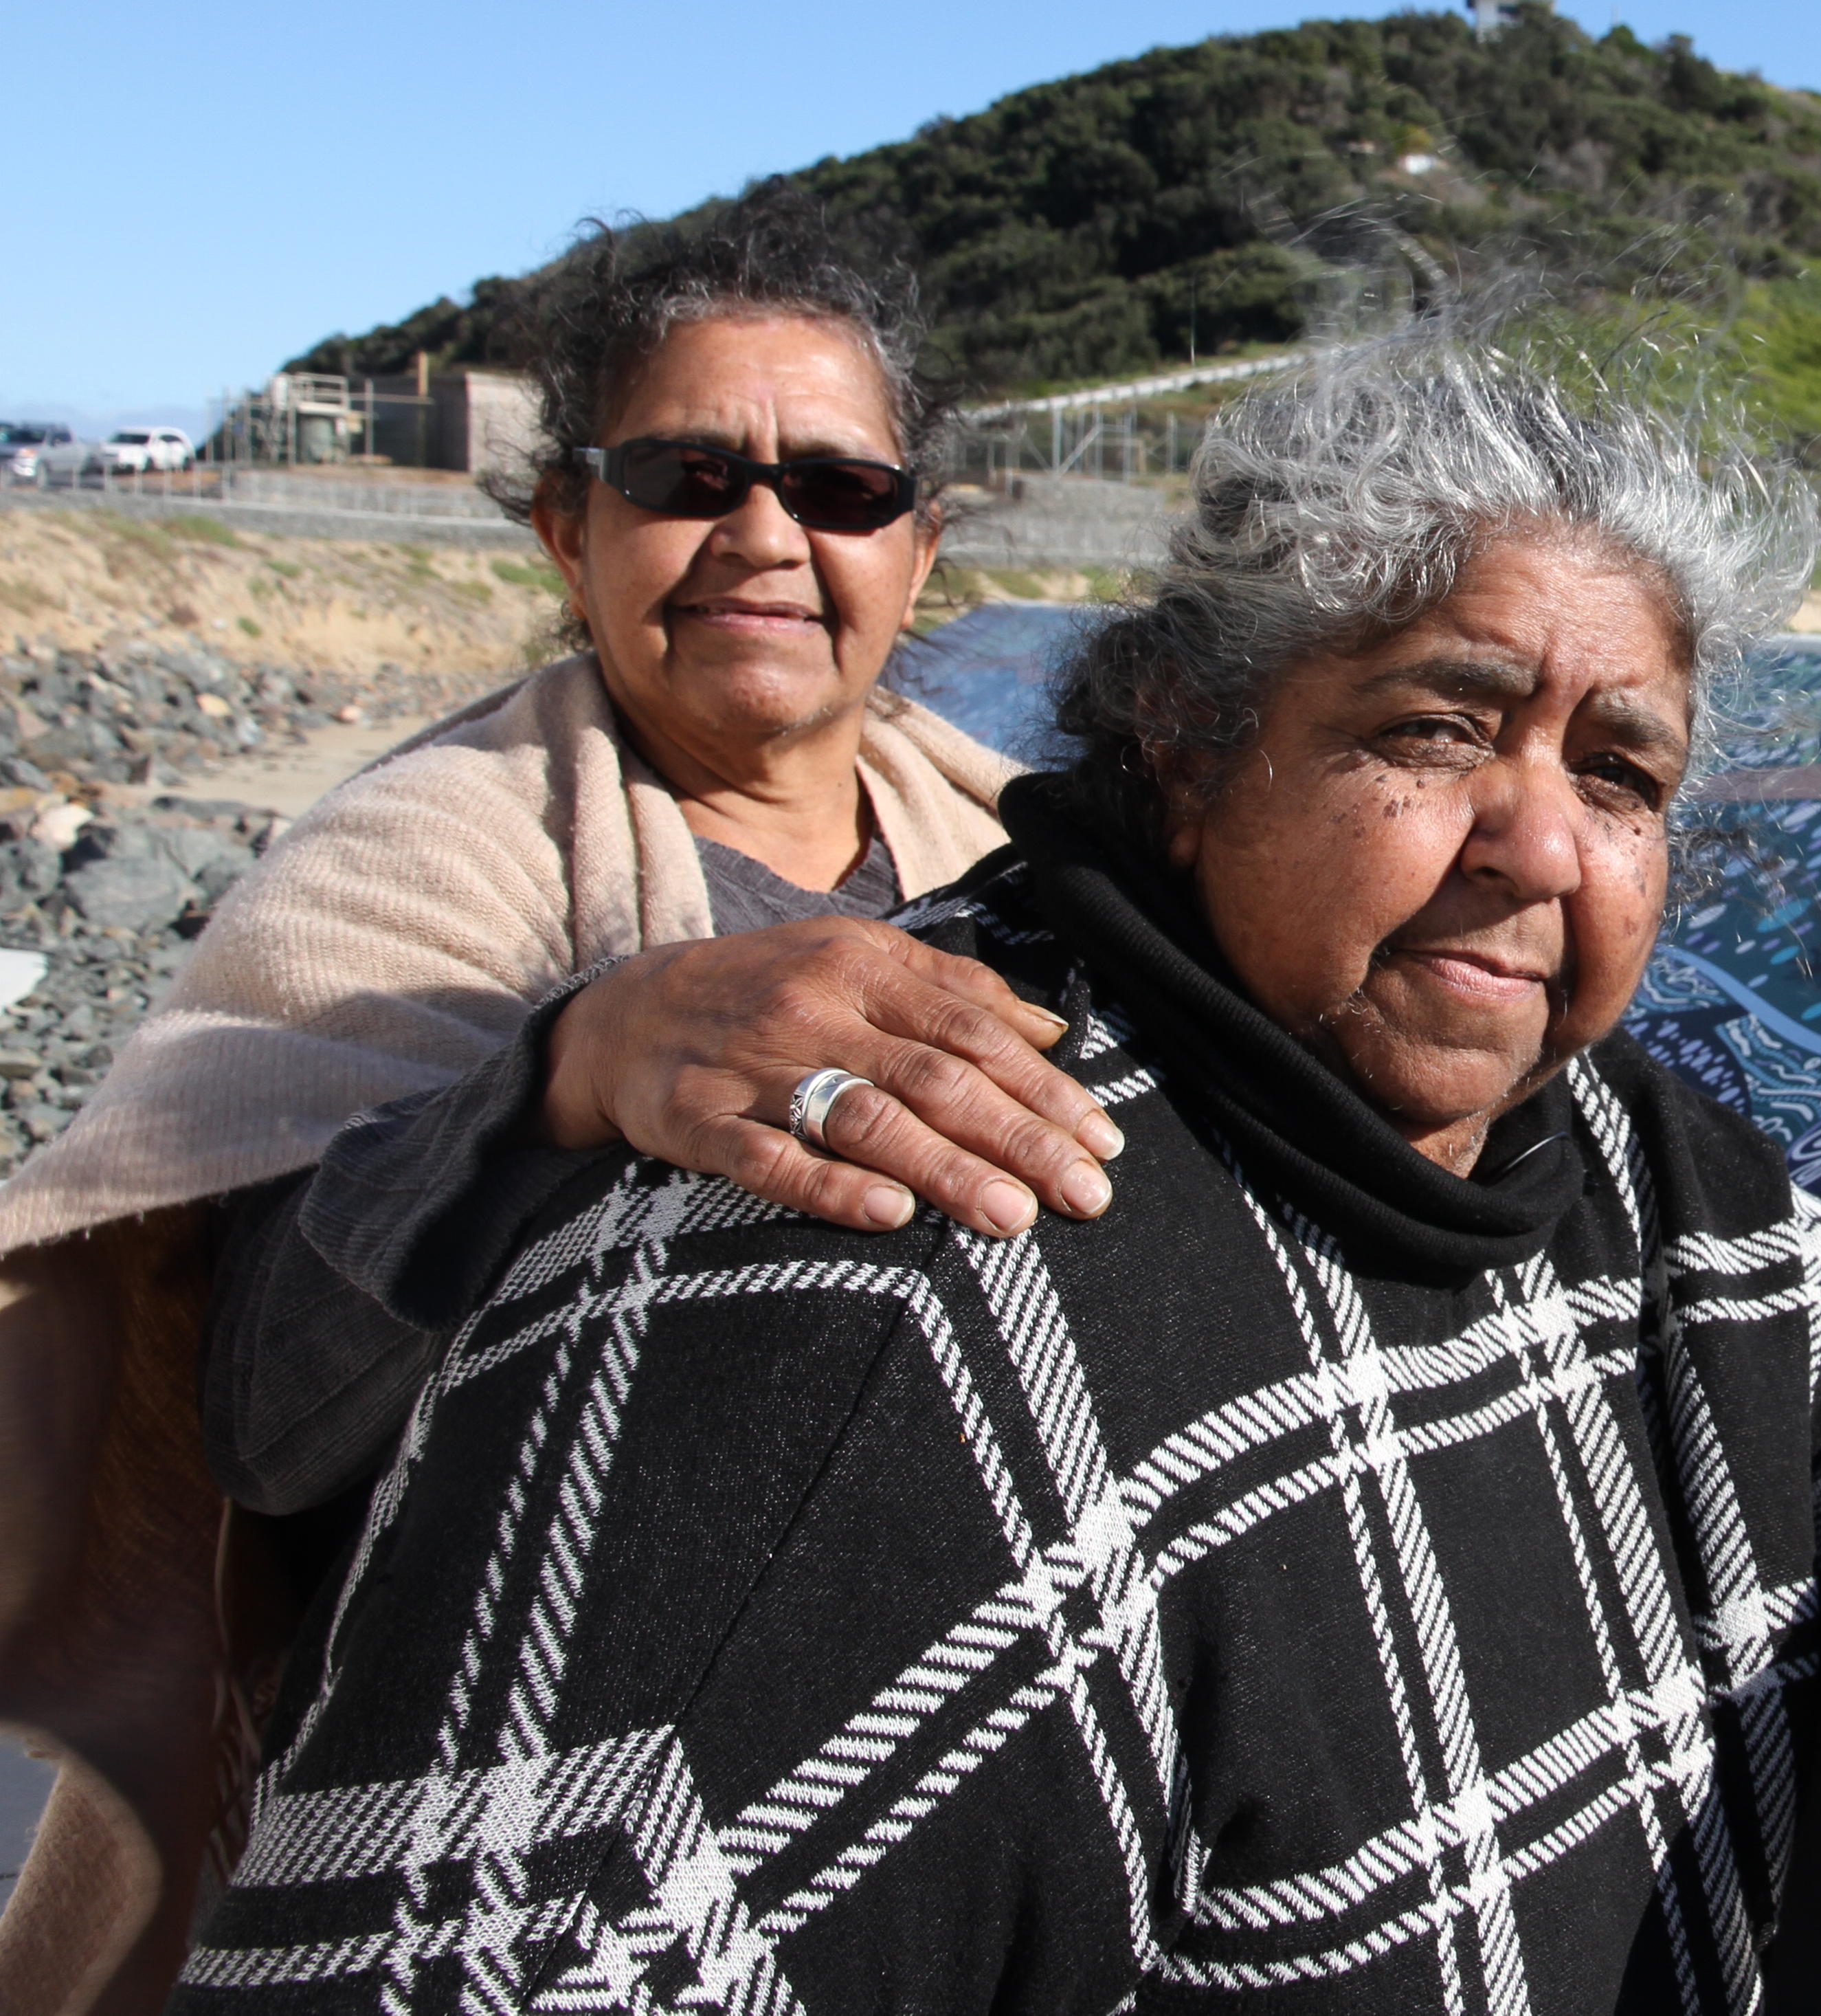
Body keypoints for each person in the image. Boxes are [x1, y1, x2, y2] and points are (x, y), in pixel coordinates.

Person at [177, 334, 1821, 2016]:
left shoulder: (1590, 1141)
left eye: (1621, 774)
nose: (1539, 845)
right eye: (1438, 727)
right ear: (1187, 741)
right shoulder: (895, 1284)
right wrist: (557, 1068)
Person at [0, 194, 1121, 2011]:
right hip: (493, 1834)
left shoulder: (1018, 849)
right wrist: (566, 1068)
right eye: (687, 477)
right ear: (565, 529)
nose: (765, 536)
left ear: (920, 551)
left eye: (840, 490)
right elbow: (254, 1419)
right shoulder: (423, 859)